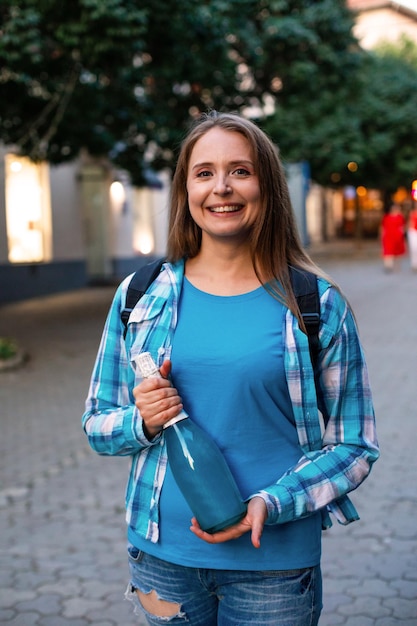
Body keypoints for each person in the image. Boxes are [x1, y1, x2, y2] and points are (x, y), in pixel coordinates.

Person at [82, 111, 379, 626]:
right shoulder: (140, 296)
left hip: (275, 566)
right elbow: (97, 424)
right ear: (185, 190)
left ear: (267, 185)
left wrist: (274, 501)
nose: (221, 188)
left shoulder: (315, 304)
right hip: (161, 557)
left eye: (240, 170)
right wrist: (143, 420)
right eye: (204, 173)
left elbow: (355, 444)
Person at [380, 202, 406, 272]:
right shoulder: (386, 217)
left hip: (397, 236)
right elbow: (382, 227)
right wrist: (381, 235)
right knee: (388, 251)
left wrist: (402, 235)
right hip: (388, 236)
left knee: (397, 252)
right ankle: (388, 265)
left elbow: (402, 227)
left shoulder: (400, 217)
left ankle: (396, 266)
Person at [407, 204, 417, 271]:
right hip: (413, 232)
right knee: (414, 249)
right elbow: (410, 223)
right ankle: (414, 264)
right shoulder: (412, 213)